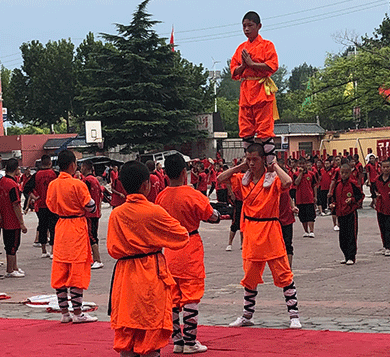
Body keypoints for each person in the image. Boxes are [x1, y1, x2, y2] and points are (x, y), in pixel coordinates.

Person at [107, 161, 190, 357]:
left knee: (127, 331)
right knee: (151, 330)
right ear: (146, 185)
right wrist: (154, 238)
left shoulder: (116, 215)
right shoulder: (154, 211)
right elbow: (181, 236)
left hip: (124, 274)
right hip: (150, 272)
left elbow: (111, 248)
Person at [217, 143, 301, 329]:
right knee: (250, 277)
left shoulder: (273, 179)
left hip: (270, 229)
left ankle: (294, 315)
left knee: (284, 274)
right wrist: (241, 166)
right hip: (252, 231)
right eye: (249, 159)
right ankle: (247, 315)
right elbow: (221, 178)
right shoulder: (243, 179)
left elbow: (288, 182)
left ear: (264, 159)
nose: (252, 163)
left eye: (255, 159)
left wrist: (275, 165)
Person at [156, 154, 221, 354]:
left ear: (165, 173)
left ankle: (177, 340)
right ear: (185, 173)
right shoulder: (193, 195)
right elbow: (212, 216)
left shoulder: (161, 196)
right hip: (190, 245)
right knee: (191, 297)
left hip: (169, 250)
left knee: (173, 299)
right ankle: (191, 340)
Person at [46, 150, 99, 324]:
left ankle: (64, 313)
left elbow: (51, 206)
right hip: (77, 227)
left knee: (60, 271)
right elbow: (91, 207)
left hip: (61, 227)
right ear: (72, 165)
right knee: (77, 271)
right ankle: (78, 313)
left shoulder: (53, 185)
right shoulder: (78, 184)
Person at [231, 11, 279, 187]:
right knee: (246, 133)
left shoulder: (267, 45)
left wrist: (251, 65)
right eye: (244, 25)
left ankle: (271, 170)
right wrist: (244, 66)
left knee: (265, 132)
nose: (246, 29)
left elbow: (272, 66)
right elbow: (233, 71)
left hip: (261, 93)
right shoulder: (241, 47)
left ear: (259, 26)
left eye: (250, 25)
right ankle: (250, 169)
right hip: (245, 94)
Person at [23, 154, 58, 258]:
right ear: (50, 163)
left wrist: (34, 197)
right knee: (53, 227)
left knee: (42, 226)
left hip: (40, 205)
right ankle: (52, 250)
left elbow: (26, 189)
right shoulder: (55, 174)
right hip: (52, 205)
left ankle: (43, 251)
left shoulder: (36, 175)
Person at [330, 163, 364, 265]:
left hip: (350, 213)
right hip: (340, 214)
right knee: (342, 237)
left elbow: (360, 195)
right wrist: (333, 205)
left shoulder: (353, 184)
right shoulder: (337, 185)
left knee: (351, 236)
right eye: (342, 173)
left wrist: (352, 200)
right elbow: (334, 198)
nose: (343, 175)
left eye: (346, 173)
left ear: (350, 173)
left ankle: (351, 257)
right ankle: (345, 256)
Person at [1, 158, 27, 278]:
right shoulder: (12, 185)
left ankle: (14, 267)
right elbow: (16, 204)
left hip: (4, 218)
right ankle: (10, 270)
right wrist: (21, 223)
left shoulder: (2, 181)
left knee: (10, 245)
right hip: (12, 220)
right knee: (13, 245)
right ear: (16, 169)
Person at [81, 161, 104, 269]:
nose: (81, 169)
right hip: (95, 212)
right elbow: (100, 195)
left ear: (86, 168)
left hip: (89, 213)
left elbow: (83, 197)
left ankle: (97, 259)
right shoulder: (95, 180)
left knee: (91, 236)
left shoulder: (86, 181)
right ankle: (93, 258)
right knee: (93, 235)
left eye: (82, 167)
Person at [294, 158, 317, 238]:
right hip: (300, 199)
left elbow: (314, 186)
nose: (301, 166)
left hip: (309, 198)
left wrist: (315, 197)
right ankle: (306, 231)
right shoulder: (296, 174)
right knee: (302, 216)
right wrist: (300, 174)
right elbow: (296, 183)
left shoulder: (311, 174)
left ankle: (311, 231)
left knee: (310, 215)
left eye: (303, 164)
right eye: (300, 164)